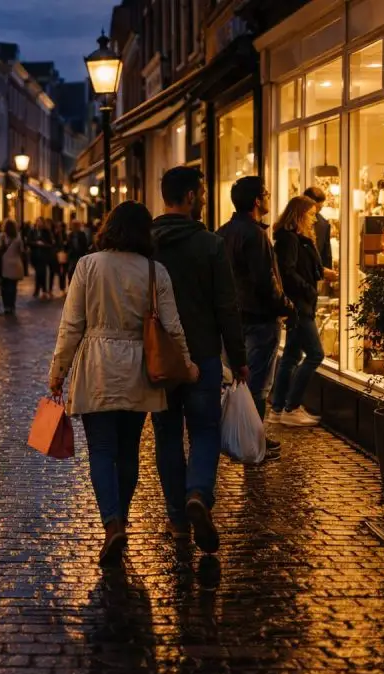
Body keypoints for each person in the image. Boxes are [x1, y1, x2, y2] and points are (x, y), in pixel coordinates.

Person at [49, 201, 197, 566]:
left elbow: (71, 325)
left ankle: (112, 523)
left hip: (97, 367)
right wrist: (186, 364)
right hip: (137, 369)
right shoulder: (154, 271)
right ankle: (122, 519)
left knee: (101, 450)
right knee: (128, 450)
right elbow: (172, 326)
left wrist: (58, 371)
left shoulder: (88, 265)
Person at [150, 167, 247, 553]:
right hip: (203, 354)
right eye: (202, 193)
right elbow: (227, 305)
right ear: (190, 196)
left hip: (161, 357)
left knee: (167, 435)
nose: (205, 198)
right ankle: (198, 493)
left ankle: (177, 521)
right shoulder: (210, 244)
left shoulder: (148, 244)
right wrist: (238, 357)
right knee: (205, 430)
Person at [217, 177, 292, 459]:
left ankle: (246, 434)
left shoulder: (223, 232)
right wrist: (287, 306)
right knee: (258, 385)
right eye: (267, 194)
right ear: (257, 200)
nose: (269, 198)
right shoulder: (254, 234)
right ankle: (253, 442)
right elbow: (265, 281)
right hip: (259, 318)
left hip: (233, 318)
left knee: (236, 381)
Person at [269, 196, 328, 427]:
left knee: (292, 355)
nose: (314, 219)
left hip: (301, 304)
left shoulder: (297, 238)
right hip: (299, 305)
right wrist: (308, 290)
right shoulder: (290, 239)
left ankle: (278, 408)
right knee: (315, 354)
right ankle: (291, 407)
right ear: (299, 214)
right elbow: (287, 272)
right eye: (311, 214)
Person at [303, 186, 335, 275]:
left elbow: (326, 252)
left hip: (317, 273)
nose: (314, 218)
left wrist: (327, 273)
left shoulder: (324, 224)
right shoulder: (294, 223)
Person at [0, 219, 25, 315]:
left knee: (4, 286)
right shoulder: (18, 237)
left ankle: (6, 306)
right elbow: (22, 250)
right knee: (13, 287)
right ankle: (12, 306)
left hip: (5, 264)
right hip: (16, 264)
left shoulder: (2, 236)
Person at [32, 219, 54, 300]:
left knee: (42, 273)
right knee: (38, 273)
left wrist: (43, 244)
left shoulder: (46, 232)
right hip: (35, 256)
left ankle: (43, 290)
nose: (39, 224)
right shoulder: (33, 231)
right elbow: (29, 241)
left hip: (44, 256)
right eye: (38, 222)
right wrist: (36, 243)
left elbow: (50, 243)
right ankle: (39, 289)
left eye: (40, 222)